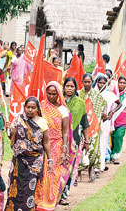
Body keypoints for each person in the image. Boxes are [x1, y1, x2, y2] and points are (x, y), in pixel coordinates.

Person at [5, 97, 53, 211]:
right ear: (24, 108)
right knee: (16, 188)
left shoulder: (42, 122)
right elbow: (13, 139)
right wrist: (9, 130)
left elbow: (46, 142)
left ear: (37, 109)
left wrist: (50, 160)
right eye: (28, 107)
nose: (30, 110)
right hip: (19, 161)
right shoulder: (18, 119)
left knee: (29, 190)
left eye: (33, 108)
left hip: (35, 163)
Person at [36, 81, 75, 210]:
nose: (51, 96)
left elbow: (65, 131)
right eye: (49, 94)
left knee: (53, 173)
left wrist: (65, 149)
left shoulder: (63, 110)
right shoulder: (41, 107)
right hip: (43, 144)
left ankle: (50, 200)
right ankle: (40, 199)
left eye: (54, 94)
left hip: (57, 144)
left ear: (58, 94)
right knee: (42, 172)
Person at [60, 77, 90, 205]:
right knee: (57, 166)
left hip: (74, 139)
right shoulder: (58, 101)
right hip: (58, 139)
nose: (70, 88)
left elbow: (85, 123)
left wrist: (87, 141)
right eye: (67, 86)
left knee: (69, 166)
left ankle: (64, 193)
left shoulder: (80, 103)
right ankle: (55, 193)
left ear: (75, 88)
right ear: (63, 87)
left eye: (72, 86)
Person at [79, 74, 106, 181]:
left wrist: (104, 113)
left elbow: (104, 104)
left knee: (93, 149)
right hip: (81, 126)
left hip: (94, 125)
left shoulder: (96, 94)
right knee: (81, 149)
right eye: (85, 82)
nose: (87, 84)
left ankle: (90, 169)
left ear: (92, 82)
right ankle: (79, 172)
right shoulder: (78, 94)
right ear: (82, 82)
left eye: (89, 82)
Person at [94, 74, 122, 173]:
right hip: (93, 121)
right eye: (100, 82)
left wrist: (112, 112)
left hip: (104, 122)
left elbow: (120, 103)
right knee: (94, 143)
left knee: (102, 143)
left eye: (103, 83)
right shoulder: (93, 93)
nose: (101, 85)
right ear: (96, 82)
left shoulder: (108, 93)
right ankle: (92, 165)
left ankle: (100, 166)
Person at [111, 76, 126, 164]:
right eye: (120, 83)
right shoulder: (113, 93)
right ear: (117, 83)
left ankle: (116, 155)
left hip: (122, 120)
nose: (122, 84)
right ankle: (110, 155)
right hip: (112, 119)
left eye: (124, 83)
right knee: (112, 137)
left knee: (119, 136)